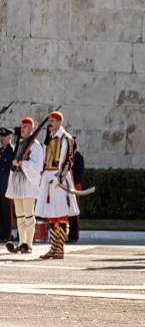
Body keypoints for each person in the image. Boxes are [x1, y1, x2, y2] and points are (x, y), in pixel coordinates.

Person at [35, 111, 79, 259]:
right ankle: (53, 247)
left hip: (58, 178)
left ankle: (60, 248)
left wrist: (58, 178)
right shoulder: (50, 137)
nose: (50, 123)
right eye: (49, 121)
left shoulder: (65, 138)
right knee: (51, 214)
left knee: (60, 214)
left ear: (60, 122)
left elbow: (67, 160)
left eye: (53, 121)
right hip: (48, 177)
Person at [6, 118, 43, 253]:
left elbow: (37, 165)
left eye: (26, 127)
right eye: (22, 126)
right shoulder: (20, 143)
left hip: (28, 183)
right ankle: (22, 242)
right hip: (18, 181)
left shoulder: (36, 146)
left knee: (28, 214)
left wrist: (22, 164)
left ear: (32, 129)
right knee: (19, 214)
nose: (22, 129)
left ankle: (29, 244)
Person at [0, 127, 14, 243]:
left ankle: (7, 235)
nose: (2, 139)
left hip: (7, 185)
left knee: (6, 211)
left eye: (4, 136)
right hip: (0, 185)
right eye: (1, 136)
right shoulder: (0, 151)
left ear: (10, 137)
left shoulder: (13, 152)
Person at [67, 151, 84, 243]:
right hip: (66, 185)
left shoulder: (77, 156)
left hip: (75, 185)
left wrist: (74, 184)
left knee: (74, 210)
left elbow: (79, 173)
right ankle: (67, 234)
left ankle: (74, 235)